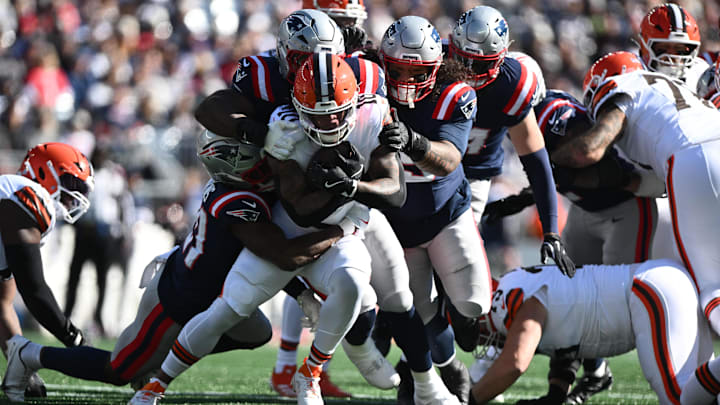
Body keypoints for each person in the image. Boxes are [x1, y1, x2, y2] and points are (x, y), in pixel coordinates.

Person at [130, 54, 408, 405]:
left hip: (340, 230)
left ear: (354, 101)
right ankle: (157, 383)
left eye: (336, 112)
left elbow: (396, 192)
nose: (329, 122)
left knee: (354, 283)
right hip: (294, 229)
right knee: (227, 310)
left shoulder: (372, 114)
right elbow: (299, 209)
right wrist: (346, 203)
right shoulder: (285, 126)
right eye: (318, 114)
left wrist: (353, 189)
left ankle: (310, 374)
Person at [1, 132, 350, 403]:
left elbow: (259, 252)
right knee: (120, 369)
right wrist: (344, 228)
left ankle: (160, 360)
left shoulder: (248, 194)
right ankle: (31, 353)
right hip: (178, 299)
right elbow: (281, 253)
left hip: (215, 296)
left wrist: (300, 291)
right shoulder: (235, 200)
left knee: (257, 332)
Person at [482, 89, 666, 404]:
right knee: (564, 294)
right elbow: (553, 175)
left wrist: (552, 173)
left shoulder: (554, 115)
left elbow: (596, 165)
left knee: (616, 305)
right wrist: (526, 196)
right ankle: (560, 389)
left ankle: (656, 378)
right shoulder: (522, 121)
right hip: (583, 212)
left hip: (625, 210)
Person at [552, 51, 720, 337]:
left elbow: (589, 149)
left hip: (691, 156)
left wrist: (549, 165)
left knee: (712, 285)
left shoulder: (623, 86)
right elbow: (649, 184)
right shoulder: (671, 92)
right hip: (707, 144)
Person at [373, 15, 486, 405]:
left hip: (445, 217)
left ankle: (455, 310)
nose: (404, 78)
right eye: (397, 68)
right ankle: (446, 367)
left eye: (414, 69)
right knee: (419, 313)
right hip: (398, 226)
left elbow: (450, 159)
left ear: (436, 67)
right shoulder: (370, 87)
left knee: (475, 302)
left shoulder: (455, 94)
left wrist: (414, 143)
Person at [467, 259, 713, 405]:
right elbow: (568, 340)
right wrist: (556, 394)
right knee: (705, 394)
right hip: (657, 287)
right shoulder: (518, 284)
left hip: (649, 294)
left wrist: (467, 400)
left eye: (478, 330)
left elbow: (515, 362)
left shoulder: (512, 301)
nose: (481, 338)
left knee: (680, 400)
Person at [0, 142, 94, 401]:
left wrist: (19, 366)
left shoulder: (10, 196)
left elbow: (2, 301)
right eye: (71, 184)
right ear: (43, 172)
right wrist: (74, 339)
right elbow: (35, 291)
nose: (75, 195)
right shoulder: (28, 194)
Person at [64, 145, 135, 338]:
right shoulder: (84, 174)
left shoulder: (113, 176)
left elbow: (123, 202)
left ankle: (98, 319)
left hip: (104, 233)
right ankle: (66, 316)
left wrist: (124, 230)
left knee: (101, 280)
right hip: (85, 230)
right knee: (74, 276)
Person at [636, 3, 710, 89]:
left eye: (680, 50)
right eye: (662, 48)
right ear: (644, 45)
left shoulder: (700, 74)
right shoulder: (633, 71)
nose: (671, 57)